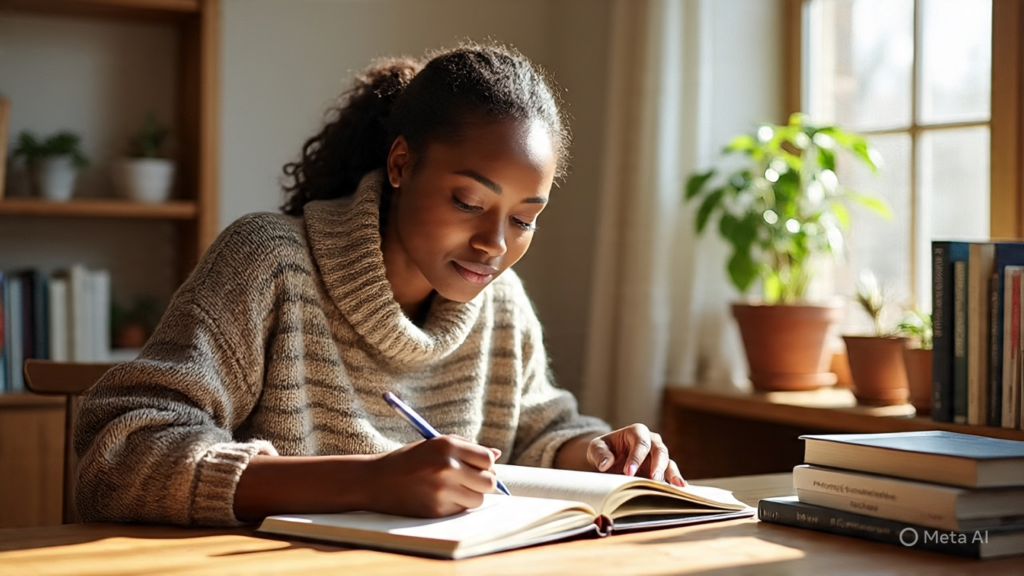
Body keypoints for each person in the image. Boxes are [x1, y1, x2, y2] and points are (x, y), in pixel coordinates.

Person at [75, 42, 685, 527]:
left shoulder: (499, 300)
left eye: (525, 219)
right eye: (469, 201)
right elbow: (119, 453)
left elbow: (537, 432)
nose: (496, 244)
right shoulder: (270, 263)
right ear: (400, 164)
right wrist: (368, 481)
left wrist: (607, 454)